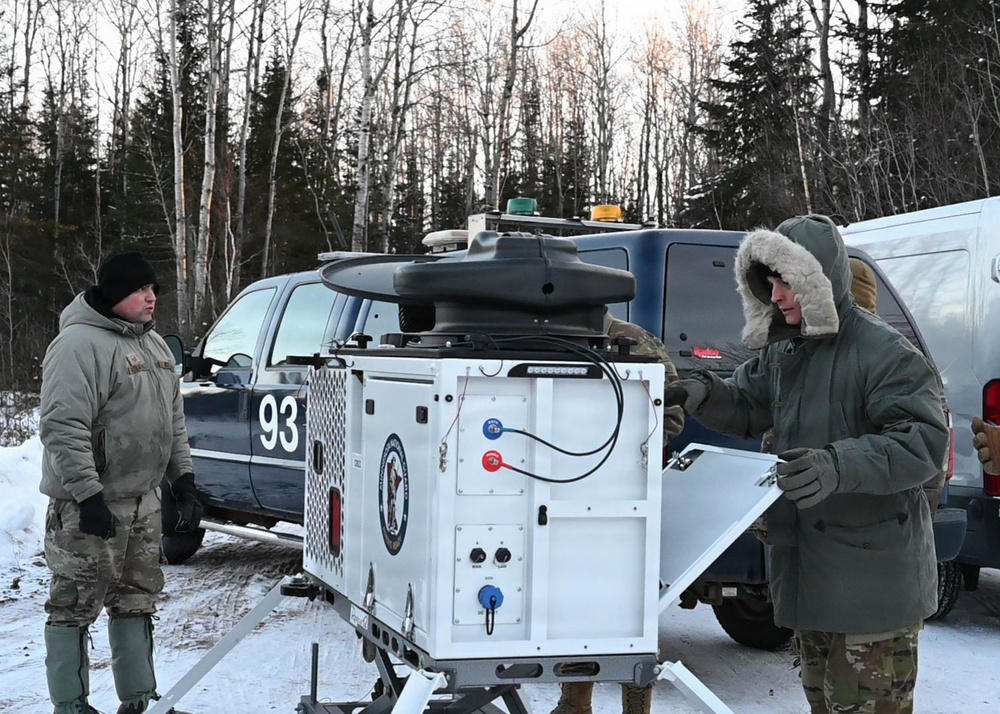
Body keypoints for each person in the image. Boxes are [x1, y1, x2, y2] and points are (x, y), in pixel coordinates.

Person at [663, 215, 948, 713]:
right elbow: (747, 403)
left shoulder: (884, 353)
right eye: (770, 283)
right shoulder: (788, 351)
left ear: (821, 280)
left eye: (787, 282)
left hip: (870, 590)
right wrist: (701, 392)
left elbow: (921, 444)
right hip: (809, 580)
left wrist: (835, 464)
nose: (776, 296)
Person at [39, 251, 204, 714]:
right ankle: (70, 706)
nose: (152, 297)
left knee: (136, 600)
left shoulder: (152, 346)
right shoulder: (78, 345)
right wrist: (88, 495)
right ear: (114, 295)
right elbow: (61, 426)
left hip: (142, 503)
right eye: (140, 290)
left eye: (153, 289)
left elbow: (172, 421)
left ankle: (138, 701)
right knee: (73, 604)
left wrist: (183, 480)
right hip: (89, 506)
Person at [548, 309, 685, 714]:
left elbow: (673, 414)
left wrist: (612, 436)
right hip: (568, 493)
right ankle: (574, 703)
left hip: (628, 495)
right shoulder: (556, 336)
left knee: (630, 611)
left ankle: (636, 708)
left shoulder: (633, 340)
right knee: (574, 604)